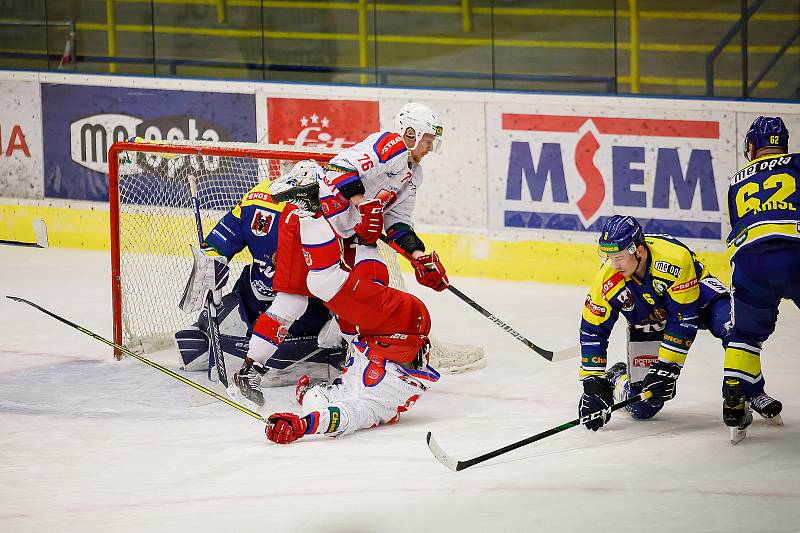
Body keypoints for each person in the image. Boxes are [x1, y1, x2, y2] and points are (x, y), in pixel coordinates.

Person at [261, 160, 441, 444]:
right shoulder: (369, 403)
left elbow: (333, 411)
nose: (325, 396)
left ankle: (315, 214)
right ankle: (311, 211)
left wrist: (306, 402)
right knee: (323, 283)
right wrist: (302, 427)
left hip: (390, 329)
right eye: (321, 396)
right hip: (400, 325)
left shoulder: (348, 385)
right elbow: (342, 417)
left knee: (322, 283)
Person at [177, 160, 345, 406]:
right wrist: (211, 264)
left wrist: (212, 260)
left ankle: (241, 358)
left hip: (260, 303)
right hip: (302, 311)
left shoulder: (255, 199)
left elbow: (218, 243)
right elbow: (215, 248)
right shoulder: (328, 207)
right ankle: (340, 354)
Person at [577, 214, 763, 430]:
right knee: (644, 406)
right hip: (648, 318)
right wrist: (593, 384)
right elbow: (592, 330)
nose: (613, 264)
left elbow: (683, 319)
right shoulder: (608, 278)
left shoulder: (673, 259)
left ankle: (751, 389)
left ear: (638, 250)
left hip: (696, 298)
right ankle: (618, 377)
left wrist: (667, 366)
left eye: (619, 257)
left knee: (733, 327)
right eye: (609, 256)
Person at [317, 102, 449, 342]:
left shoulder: (414, 174)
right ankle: (341, 335)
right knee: (332, 292)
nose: (430, 148)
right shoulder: (391, 145)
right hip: (323, 224)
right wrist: (361, 202)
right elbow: (338, 168)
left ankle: (351, 346)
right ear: (411, 134)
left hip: (355, 235)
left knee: (375, 281)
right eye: (427, 140)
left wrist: (419, 257)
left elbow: (398, 221)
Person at [722, 116, 797, 442]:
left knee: (745, 336)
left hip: (750, 263)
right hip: (796, 252)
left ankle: (735, 400)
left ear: (751, 146)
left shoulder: (737, 180)